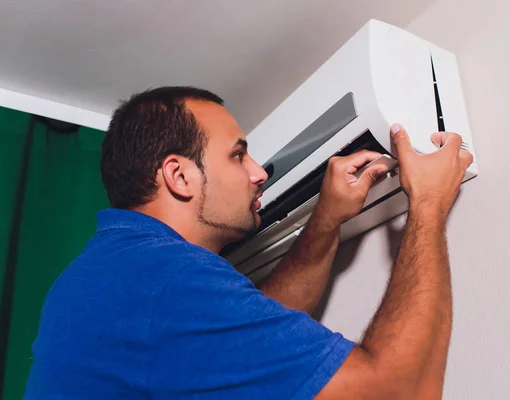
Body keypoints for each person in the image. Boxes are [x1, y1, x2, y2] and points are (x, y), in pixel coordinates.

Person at [24, 86, 473, 399]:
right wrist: (429, 204)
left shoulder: (115, 273)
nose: (260, 171)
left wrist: (326, 221)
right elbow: (398, 392)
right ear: (179, 176)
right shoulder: (169, 279)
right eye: (238, 155)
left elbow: (249, 341)